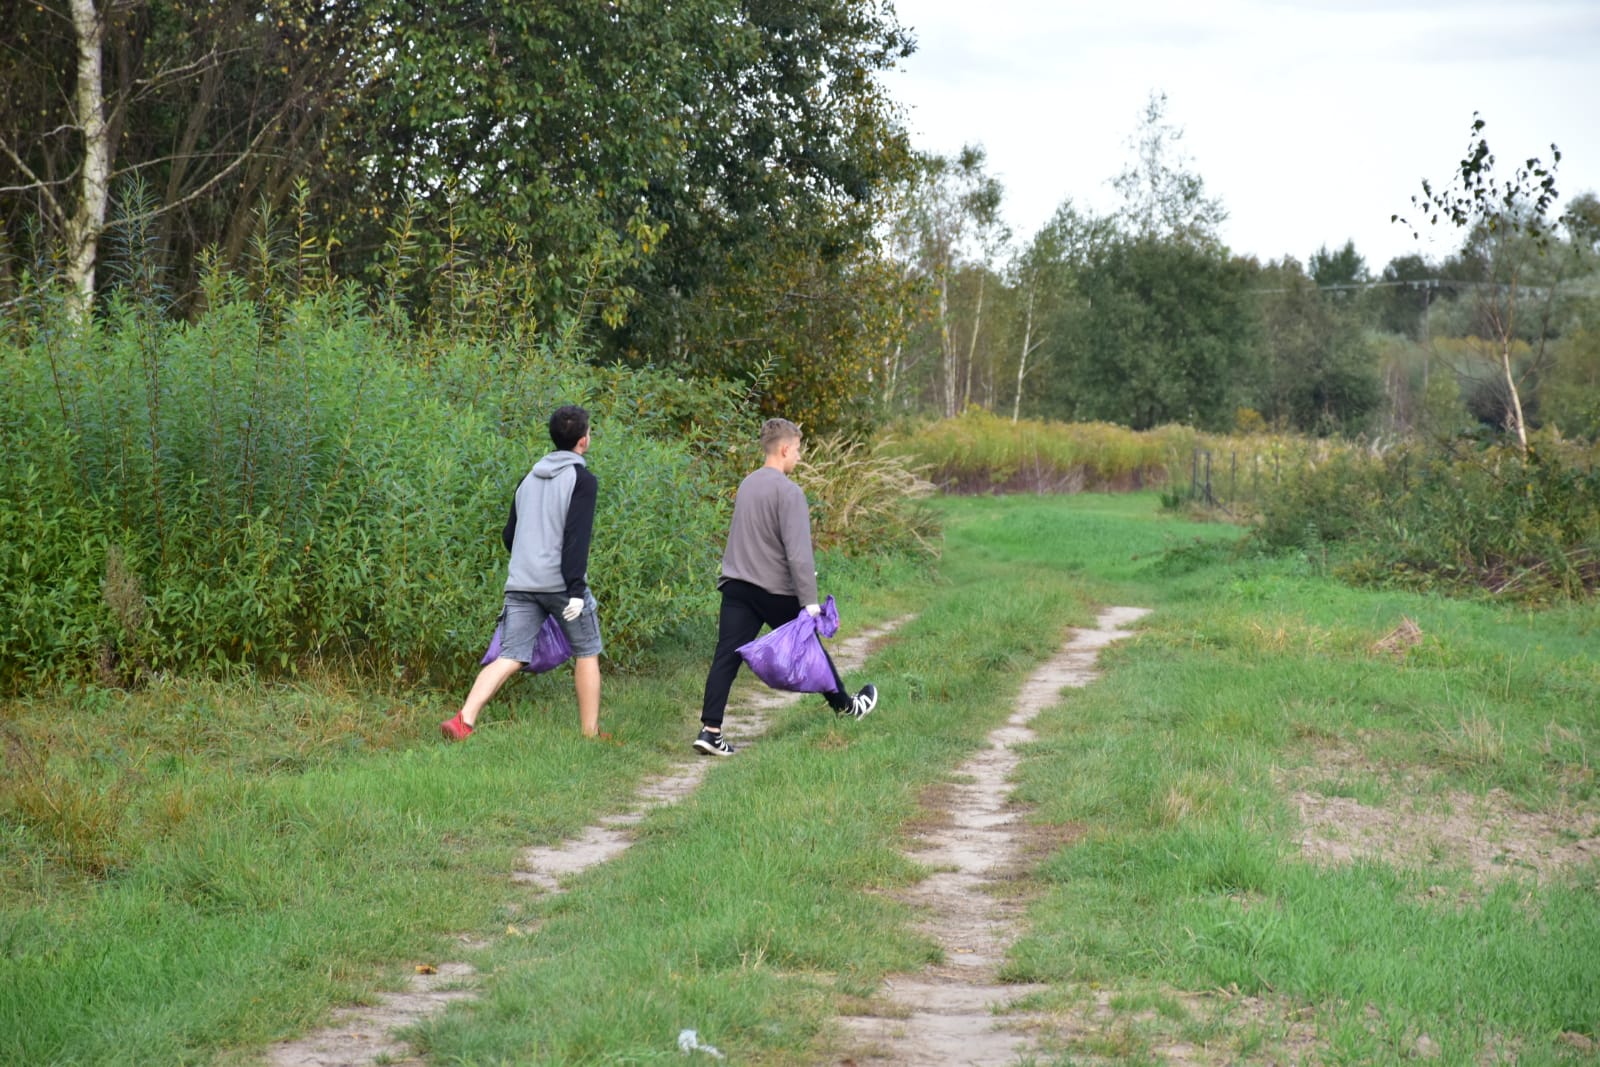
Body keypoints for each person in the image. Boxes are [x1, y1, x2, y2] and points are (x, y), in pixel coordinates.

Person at [694, 417, 876, 756]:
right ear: (784, 448)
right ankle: (847, 707)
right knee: (812, 649)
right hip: (774, 589)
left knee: (725, 657)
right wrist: (809, 602)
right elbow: (798, 554)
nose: (800, 457)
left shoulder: (747, 484)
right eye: (798, 449)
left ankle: (710, 730)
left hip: (736, 584)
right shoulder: (790, 492)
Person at [440, 404, 604, 740]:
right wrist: (574, 590)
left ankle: (464, 719)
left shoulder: (527, 479)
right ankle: (590, 734)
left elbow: (509, 536)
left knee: (510, 654)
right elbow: (577, 538)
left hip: (521, 582)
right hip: (561, 585)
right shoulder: (582, 480)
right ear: (583, 441)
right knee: (587, 650)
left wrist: (529, 563)